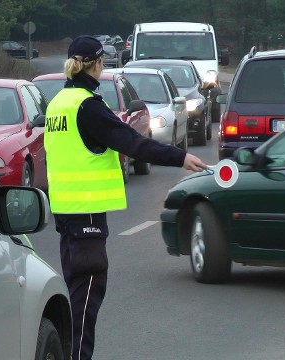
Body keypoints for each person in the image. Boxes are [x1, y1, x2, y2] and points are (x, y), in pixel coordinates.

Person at [44, 35, 207, 360]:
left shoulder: (57, 104)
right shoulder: (88, 108)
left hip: (65, 215)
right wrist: (180, 158)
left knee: (78, 298)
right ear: (98, 64)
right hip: (87, 216)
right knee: (86, 302)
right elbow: (134, 144)